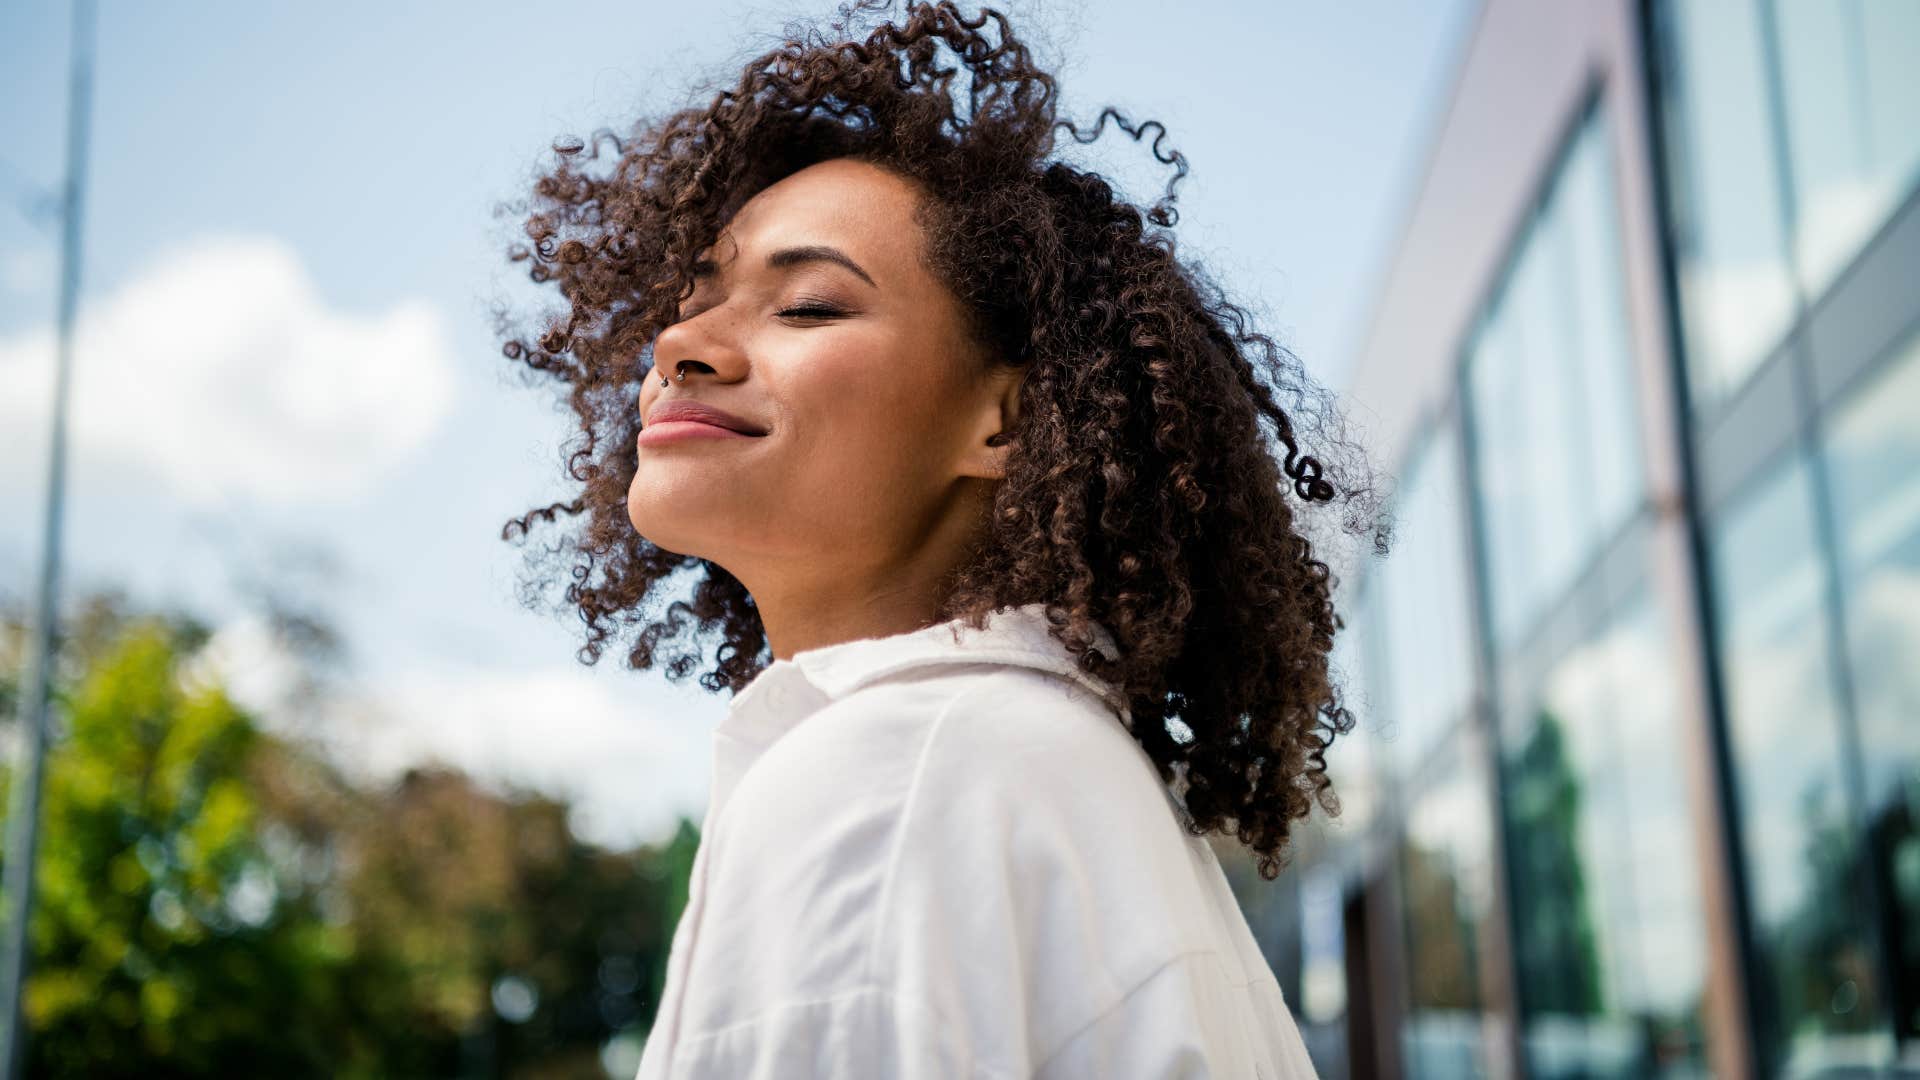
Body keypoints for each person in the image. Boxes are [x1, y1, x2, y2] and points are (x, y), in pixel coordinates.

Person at [496, 1, 1386, 1075]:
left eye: (809, 305)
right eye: (694, 301)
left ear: (1005, 421)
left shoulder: (886, 789)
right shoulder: (1046, 779)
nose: (681, 344)